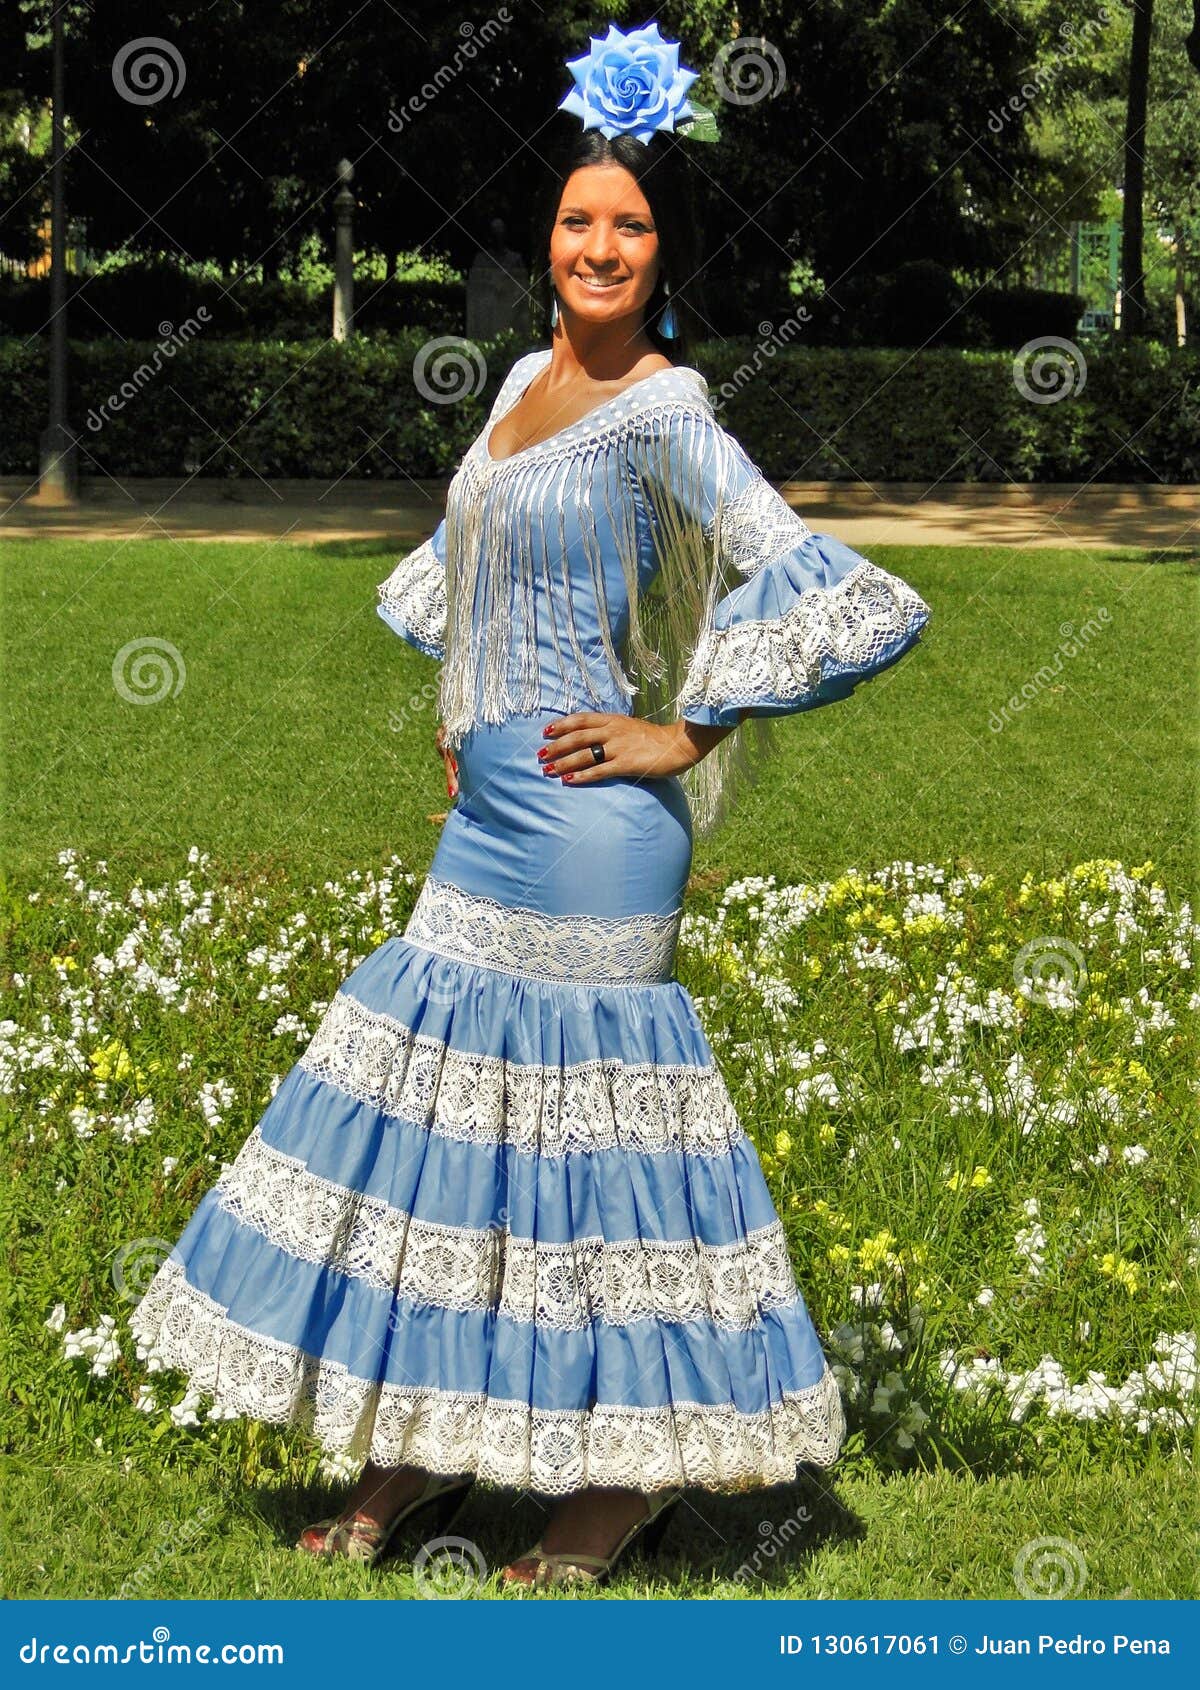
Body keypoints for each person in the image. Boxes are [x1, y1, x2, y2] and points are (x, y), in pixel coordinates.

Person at [128, 21, 932, 1592]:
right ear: (547, 240)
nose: (601, 244)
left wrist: (684, 727)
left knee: (587, 1153)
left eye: (631, 224)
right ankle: (428, 1440)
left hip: (592, 847)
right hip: (480, 829)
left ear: (666, 252)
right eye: (579, 219)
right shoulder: (515, 383)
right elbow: (475, 570)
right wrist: (457, 711)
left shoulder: (672, 414)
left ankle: (622, 1478)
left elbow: (841, 589)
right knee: (448, 1138)